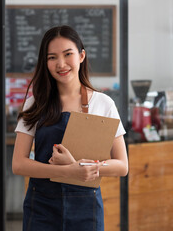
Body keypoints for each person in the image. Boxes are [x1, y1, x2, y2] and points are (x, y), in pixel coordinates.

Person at [12, 25, 128, 231]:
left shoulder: (103, 103)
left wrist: (83, 169)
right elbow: (18, 164)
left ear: (81, 56)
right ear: (45, 62)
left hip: (86, 210)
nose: (61, 64)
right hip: (42, 209)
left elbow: (121, 165)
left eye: (68, 54)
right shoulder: (34, 104)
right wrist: (68, 170)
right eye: (52, 57)